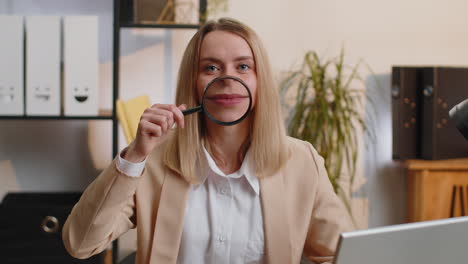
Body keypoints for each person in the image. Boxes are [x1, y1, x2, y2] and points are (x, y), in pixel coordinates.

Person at [62, 17, 352, 264]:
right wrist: (134, 156)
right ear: (193, 83)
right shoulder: (153, 161)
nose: (227, 78)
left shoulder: (302, 162)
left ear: (259, 80)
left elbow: (344, 256)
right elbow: (81, 242)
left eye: (242, 67)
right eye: (211, 68)